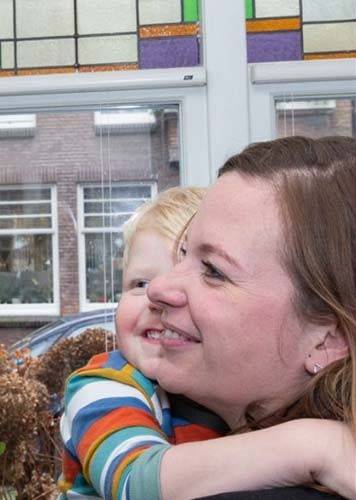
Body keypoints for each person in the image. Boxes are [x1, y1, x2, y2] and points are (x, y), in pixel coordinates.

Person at [61, 137, 356, 500]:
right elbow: (134, 481)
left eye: (214, 271)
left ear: (326, 338)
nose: (159, 289)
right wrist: (313, 446)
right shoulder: (112, 386)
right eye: (183, 254)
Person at [59, 187, 230, 499]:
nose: (156, 298)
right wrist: (308, 450)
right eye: (141, 284)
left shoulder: (228, 392)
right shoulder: (104, 385)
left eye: (183, 284)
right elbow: (135, 484)